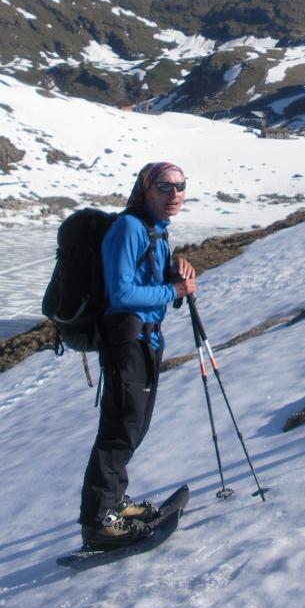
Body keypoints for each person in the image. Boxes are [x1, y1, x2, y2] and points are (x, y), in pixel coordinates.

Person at [78, 161, 197, 548]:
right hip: (126, 342)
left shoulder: (156, 230)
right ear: (146, 189)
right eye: (164, 186)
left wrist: (173, 276)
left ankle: (113, 502)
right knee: (120, 429)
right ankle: (98, 521)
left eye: (180, 186)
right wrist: (173, 291)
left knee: (133, 426)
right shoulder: (130, 228)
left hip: (146, 341)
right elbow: (122, 293)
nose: (174, 193)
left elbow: (147, 283)